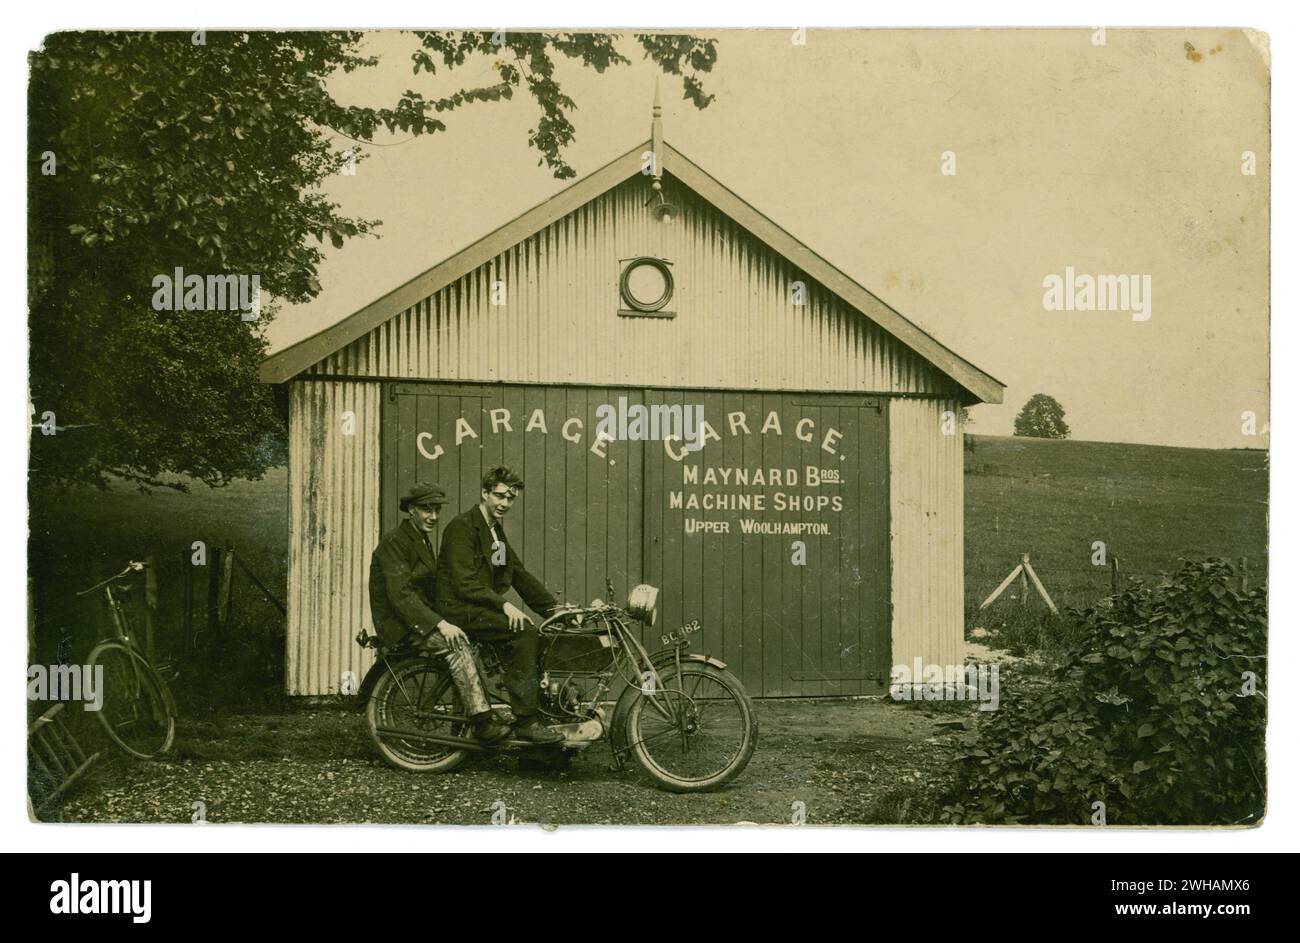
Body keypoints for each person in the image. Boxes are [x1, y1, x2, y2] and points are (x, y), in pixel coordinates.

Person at [368, 481, 510, 744]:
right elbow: (402, 596)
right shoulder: (395, 543)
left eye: (437, 510)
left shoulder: (419, 538)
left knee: (469, 638)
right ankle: (481, 723)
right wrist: (441, 624)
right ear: (410, 509)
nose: (433, 516)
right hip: (401, 625)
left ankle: (471, 714)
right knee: (456, 646)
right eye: (426, 509)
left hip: (417, 619)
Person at [437, 466, 564, 744]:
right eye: (499, 496)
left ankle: (537, 710)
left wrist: (555, 610)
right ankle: (526, 721)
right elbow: (464, 581)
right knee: (523, 633)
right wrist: (504, 606)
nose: (505, 503)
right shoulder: (462, 527)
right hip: (457, 608)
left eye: (511, 498)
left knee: (540, 634)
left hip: (476, 606)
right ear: (484, 493)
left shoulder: (494, 531)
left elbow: (516, 572)